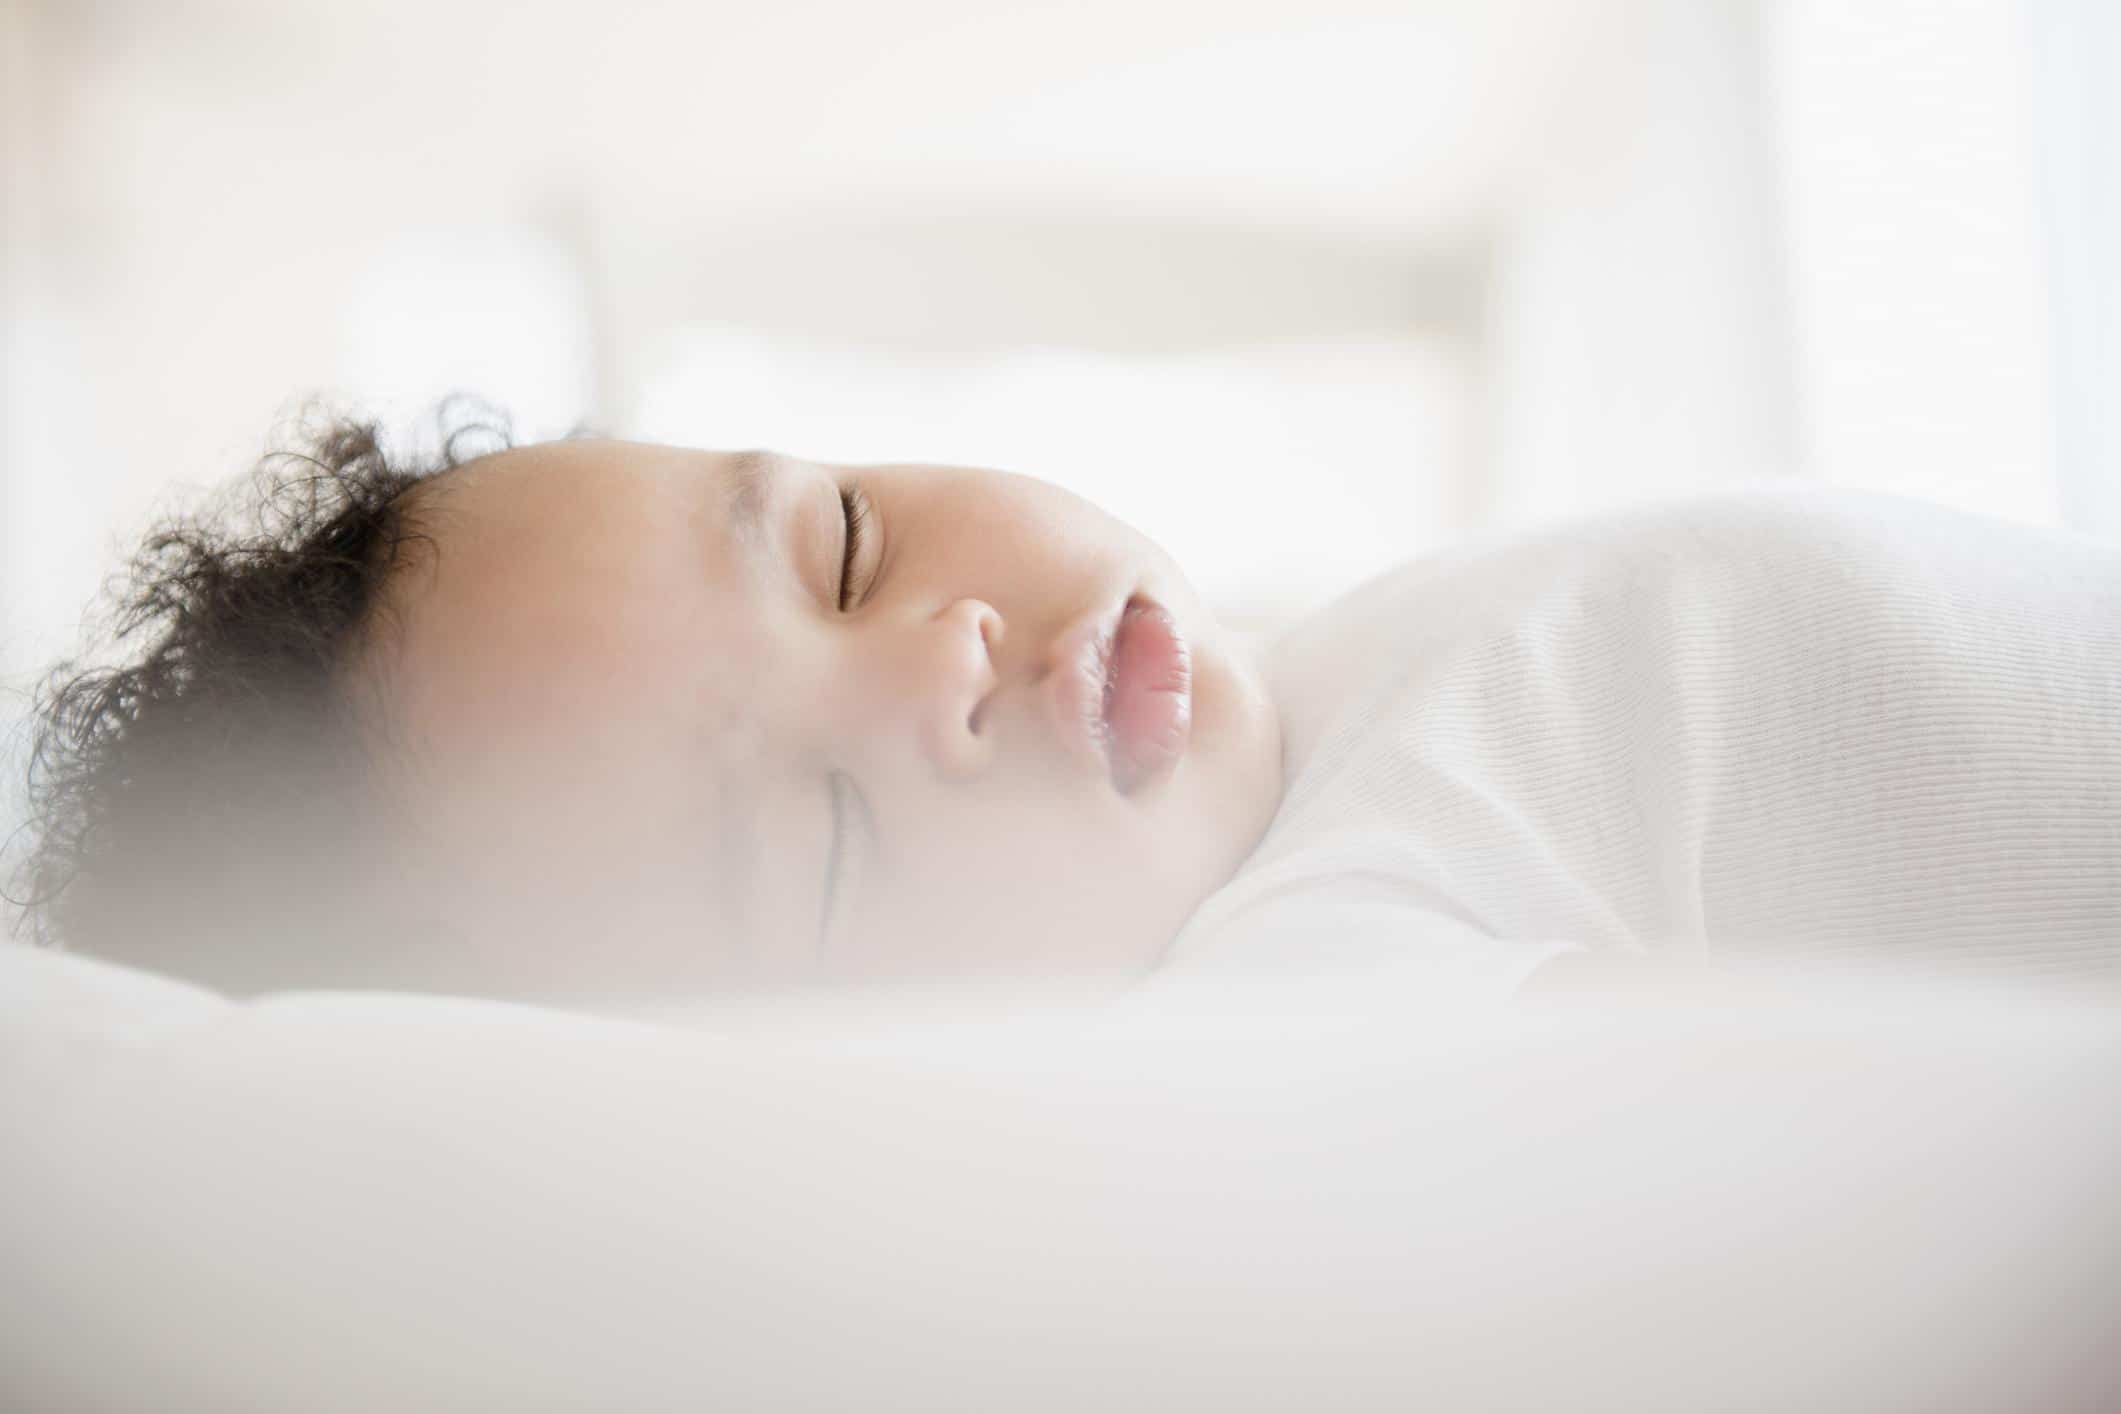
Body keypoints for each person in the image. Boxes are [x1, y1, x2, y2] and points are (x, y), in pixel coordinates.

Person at [11, 413, 2120, 1000]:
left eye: (840, 542)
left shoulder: (1312, 682)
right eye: (821, 842)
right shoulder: (1323, 972)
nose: (934, 652)